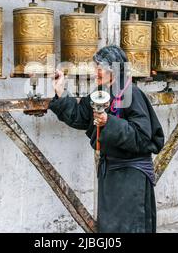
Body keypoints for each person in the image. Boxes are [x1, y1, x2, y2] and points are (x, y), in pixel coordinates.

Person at [49, 45, 165, 233]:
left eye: (100, 68)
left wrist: (108, 122)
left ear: (114, 70)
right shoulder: (101, 93)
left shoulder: (132, 93)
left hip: (130, 176)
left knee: (130, 228)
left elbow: (143, 137)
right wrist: (60, 90)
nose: (96, 72)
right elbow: (80, 116)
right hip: (110, 173)